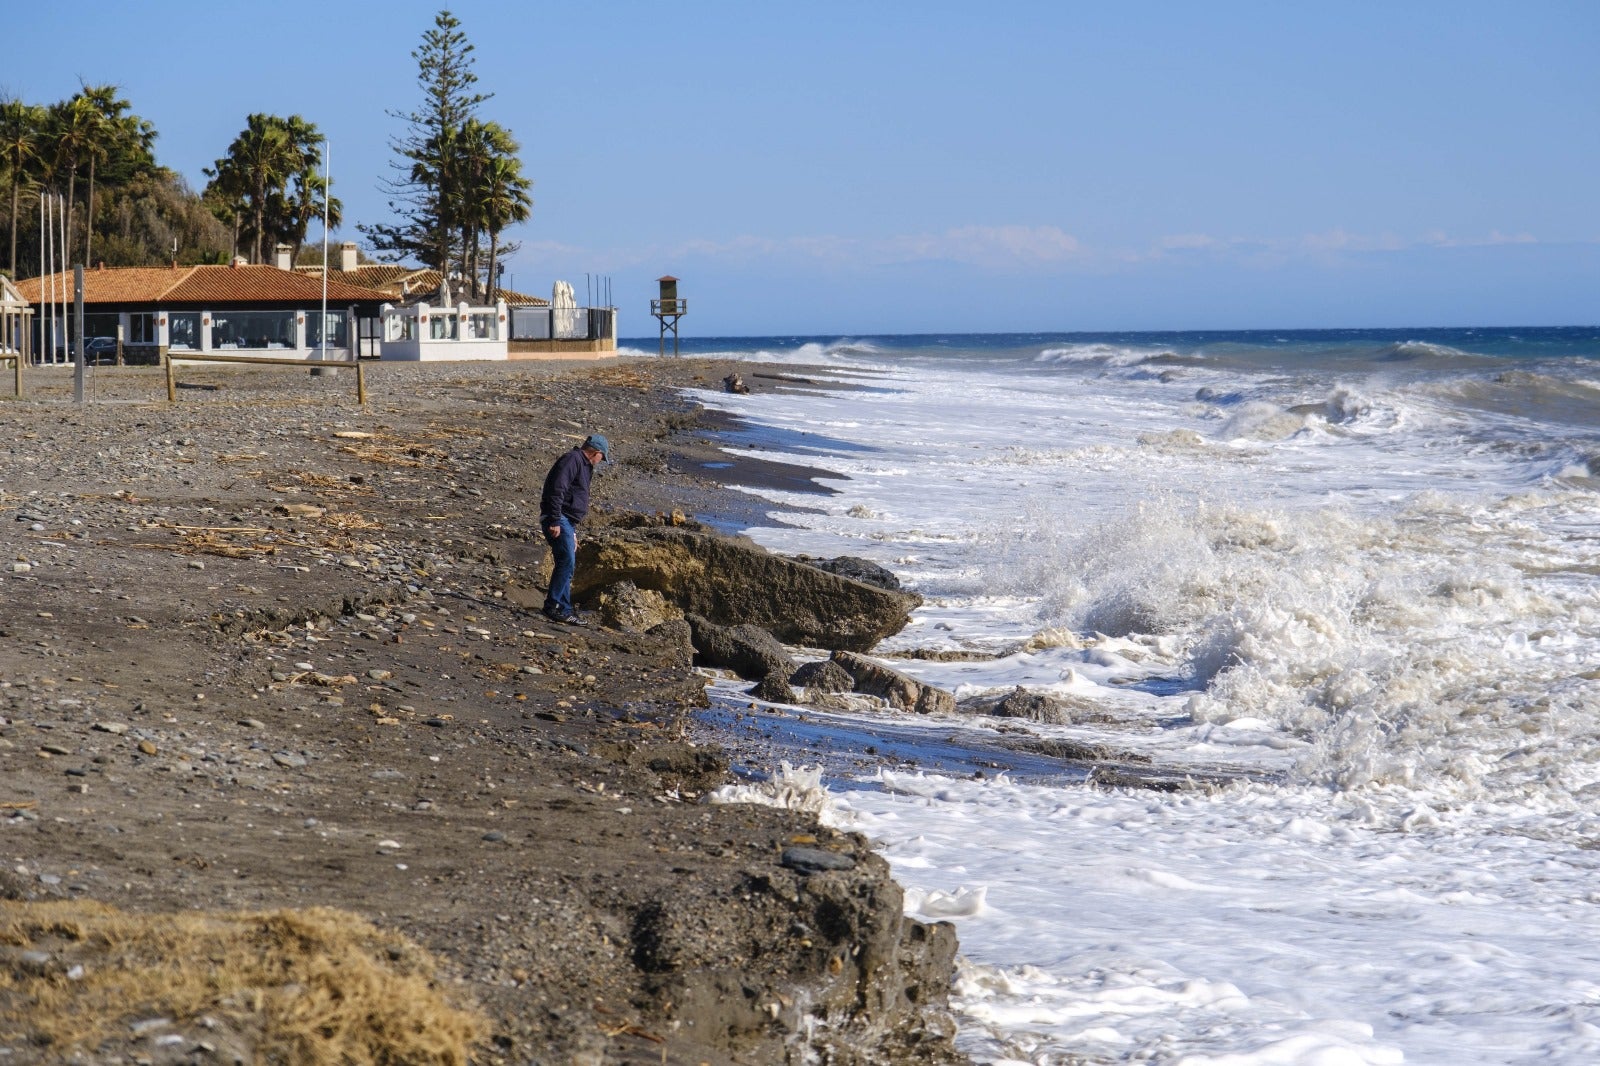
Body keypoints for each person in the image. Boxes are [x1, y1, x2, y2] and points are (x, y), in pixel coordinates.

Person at [539, 433, 609, 625]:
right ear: (596, 452)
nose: (600, 462)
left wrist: (573, 531)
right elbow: (557, 490)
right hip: (558, 518)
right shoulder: (572, 460)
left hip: (566, 521)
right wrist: (554, 520)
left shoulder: (584, 465)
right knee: (566, 562)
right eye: (602, 457)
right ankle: (552, 605)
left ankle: (565, 607)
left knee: (567, 563)